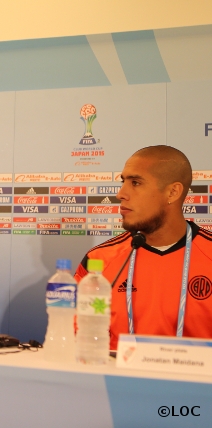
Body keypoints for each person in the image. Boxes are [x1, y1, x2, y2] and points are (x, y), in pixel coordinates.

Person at [75, 145, 212, 349]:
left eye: (136, 183)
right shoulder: (99, 261)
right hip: (116, 370)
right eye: (123, 182)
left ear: (172, 192)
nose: (121, 194)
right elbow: (78, 337)